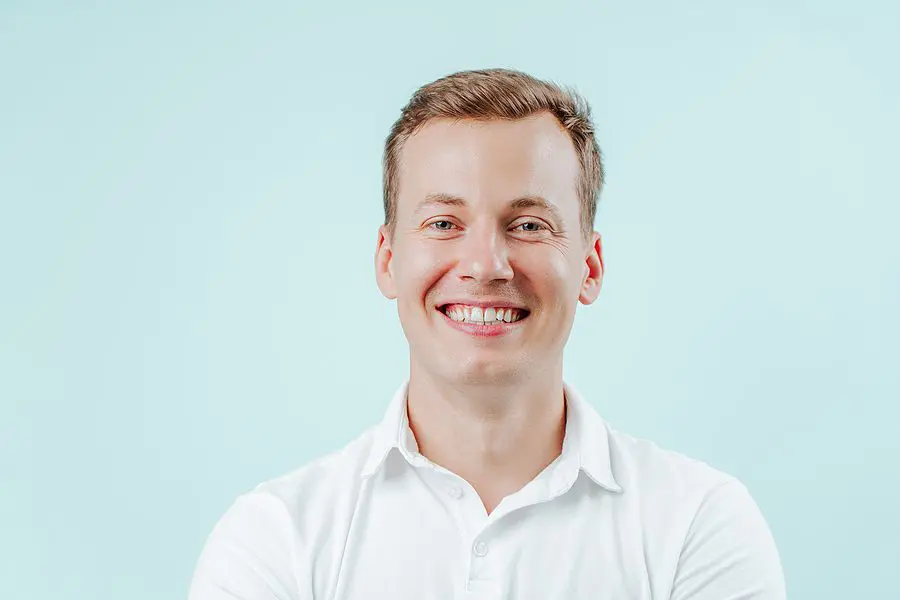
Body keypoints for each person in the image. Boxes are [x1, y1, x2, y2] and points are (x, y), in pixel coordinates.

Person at [188, 68, 786, 599]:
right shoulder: (274, 539)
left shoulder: (697, 526)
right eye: (443, 222)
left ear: (590, 265)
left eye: (528, 224)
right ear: (387, 259)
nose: (485, 264)